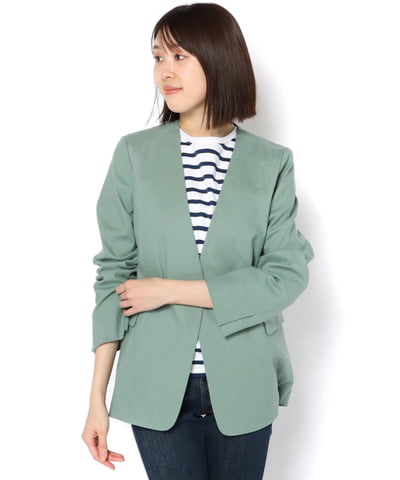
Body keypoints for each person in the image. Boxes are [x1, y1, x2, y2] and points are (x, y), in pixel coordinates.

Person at [81, 3, 314, 479]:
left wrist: (168, 290)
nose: (164, 72)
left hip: (244, 378)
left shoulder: (271, 163)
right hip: (154, 380)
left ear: (219, 58)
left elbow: (284, 278)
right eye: (157, 57)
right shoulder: (134, 155)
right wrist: (96, 399)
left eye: (179, 56)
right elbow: (113, 276)